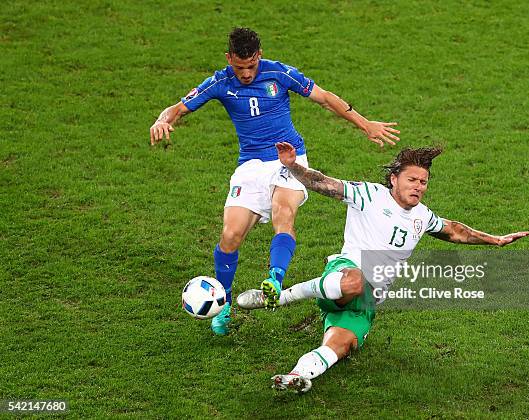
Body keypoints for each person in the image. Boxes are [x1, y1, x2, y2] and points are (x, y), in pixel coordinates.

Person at [149, 28, 400, 335]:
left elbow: (324, 98)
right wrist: (162, 120)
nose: (246, 73)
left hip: (289, 159)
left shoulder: (279, 73)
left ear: (259, 56)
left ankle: (275, 280)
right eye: (239, 67)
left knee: (284, 212)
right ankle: (224, 304)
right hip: (251, 165)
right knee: (230, 235)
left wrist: (365, 125)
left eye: (251, 66)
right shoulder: (219, 82)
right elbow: (177, 109)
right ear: (229, 59)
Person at [237, 142, 529, 393]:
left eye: (423, 182)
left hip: (366, 300)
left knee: (340, 347)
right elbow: (323, 183)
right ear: (394, 179)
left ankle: (297, 377)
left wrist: (494, 240)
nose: (418, 186)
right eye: (412, 180)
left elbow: (453, 230)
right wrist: (293, 166)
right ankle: (277, 297)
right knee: (355, 281)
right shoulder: (368, 195)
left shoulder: (422, 216)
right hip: (344, 273)